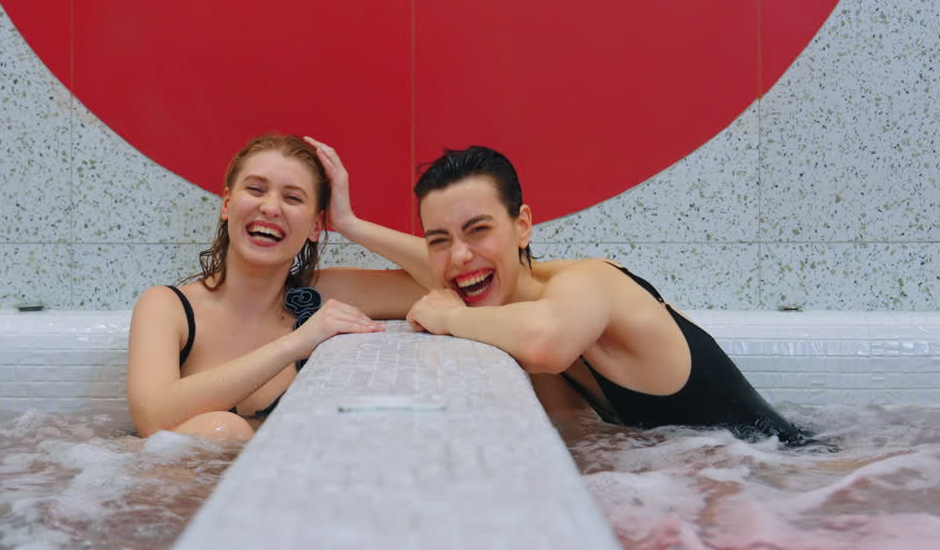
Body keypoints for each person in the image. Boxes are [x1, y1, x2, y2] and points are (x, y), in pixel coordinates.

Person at [307, 140, 807, 444]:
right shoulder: (506, 296)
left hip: (788, 472)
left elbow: (547, 343)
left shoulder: (592, 285)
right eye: (440, 239)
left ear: (522, 225)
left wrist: (450, 317)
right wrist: (348, 224)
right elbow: (436, 266)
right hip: (726, 477)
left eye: (479, 230)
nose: (459, 257)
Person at [126, 134, 432, 442]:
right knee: (222, 429)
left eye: (293, 198)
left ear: (315, 226)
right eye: (256, 189)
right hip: (184, 486)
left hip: (281, 482)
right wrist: (298, 341)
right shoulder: (168, 307)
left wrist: (349, 223)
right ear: (228, 205)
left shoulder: (321, 295)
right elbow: (152, 419)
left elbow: (448, 280)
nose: (270, 207)